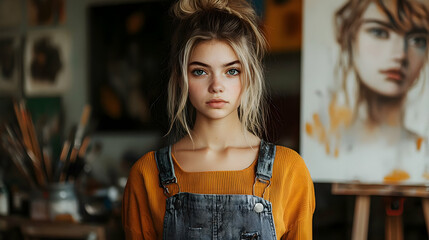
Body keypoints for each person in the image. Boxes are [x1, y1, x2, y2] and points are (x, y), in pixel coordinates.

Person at [122, 0, 315, 239]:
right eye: (200, 71)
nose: (216, 86)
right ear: (181, 78)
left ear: (250, 76)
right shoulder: (147, 174)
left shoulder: (288, 170)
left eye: (231, 71)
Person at [305, 0, 429, 183]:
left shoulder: (422, 150)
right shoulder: (324, 142)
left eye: (417, 39)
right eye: (379, 32)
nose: (400, 54)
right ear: (348, 36)